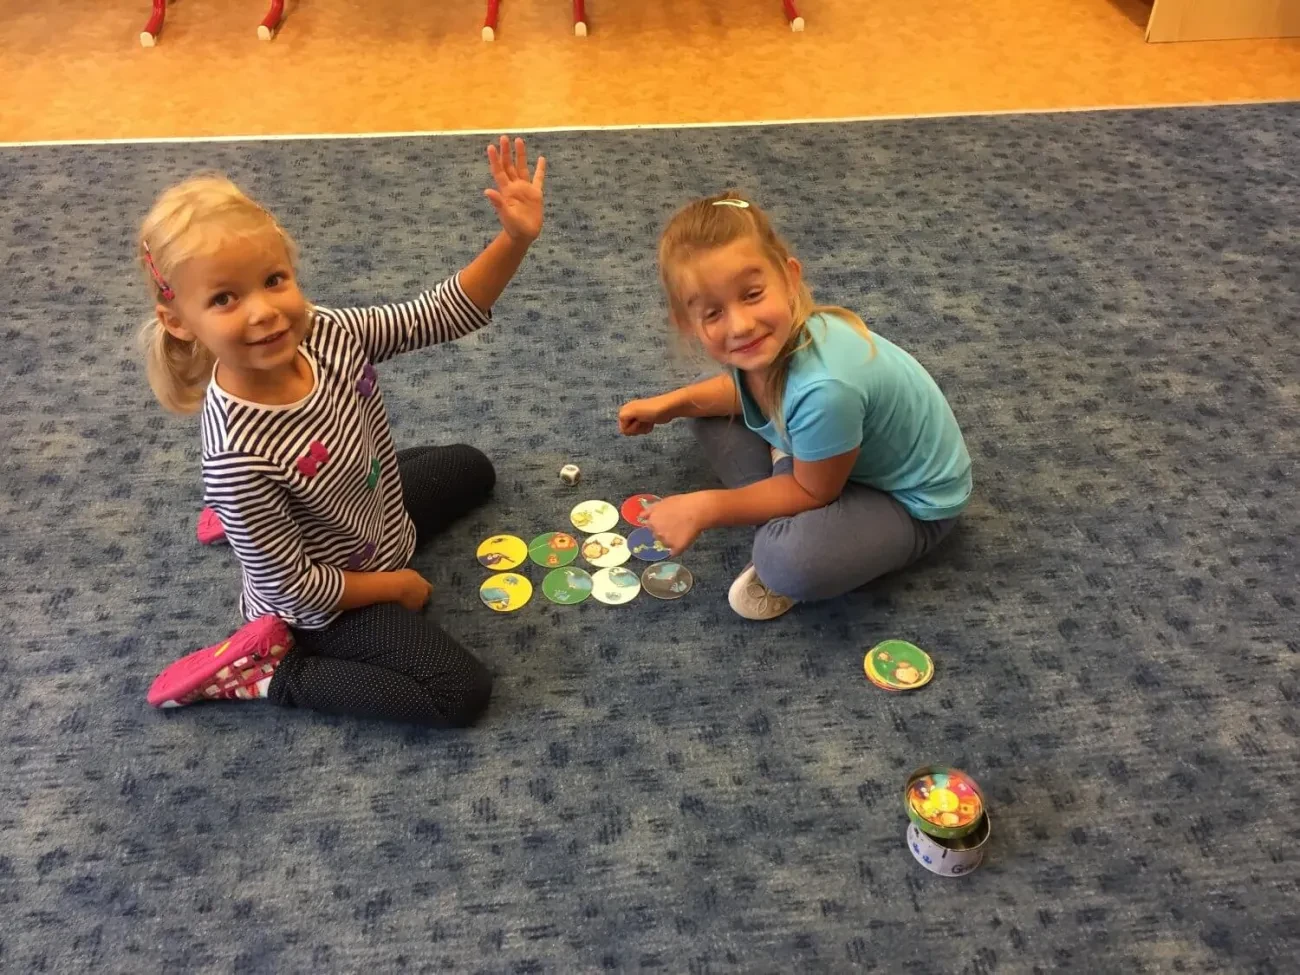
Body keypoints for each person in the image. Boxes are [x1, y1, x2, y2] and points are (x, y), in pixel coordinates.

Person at [139, 137, 545, 726]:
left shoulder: (323, 331)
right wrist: (393, 588)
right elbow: (296, 591)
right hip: (320, 602)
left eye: (273, 279)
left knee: (472, 468)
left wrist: (514, 240)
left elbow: (435, 315)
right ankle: (272, 674)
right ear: (178, 321)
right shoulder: (236, 456)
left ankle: (253, 523)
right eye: (224, 298)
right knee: (458, 693)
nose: (263, 311)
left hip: (368, 513)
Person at [618, 192, 971, 621]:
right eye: (713, 313)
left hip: (910, 504)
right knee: (700, 405)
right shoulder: (775, 347)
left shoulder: (827, 388)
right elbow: (745, 393)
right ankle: (788, 473)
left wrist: (706, 507)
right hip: (834, 460)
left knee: (785, 561)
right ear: (687, 324)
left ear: (789, 278)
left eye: (752, 294)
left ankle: (785, 483)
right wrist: (669, 406)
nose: (741, 325)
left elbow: (814, 492)